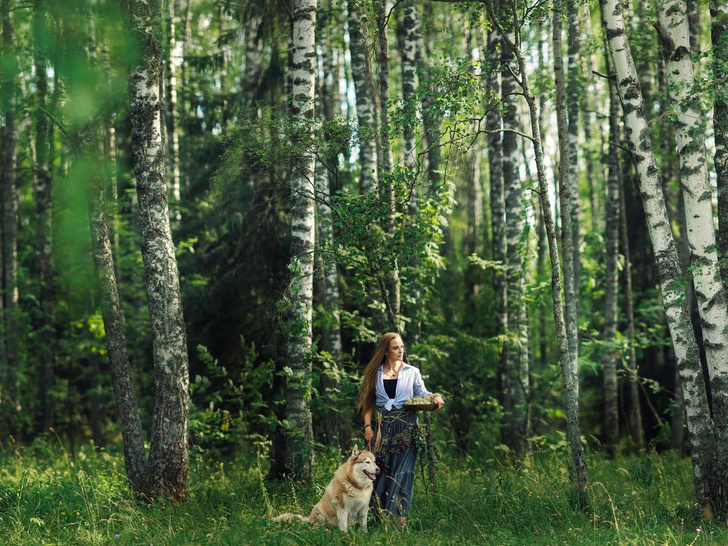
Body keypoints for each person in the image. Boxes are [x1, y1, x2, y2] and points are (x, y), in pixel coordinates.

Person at [357, 332, 445, 527]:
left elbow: (424, 393)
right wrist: (367, 427)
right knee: (379, 472)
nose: (401, 351)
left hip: (407, 428)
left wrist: (436, 397)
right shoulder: (375, 373)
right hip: (383, 429)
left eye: (402, 347)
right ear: (386, 350)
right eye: (396, 348)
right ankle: (378, 518)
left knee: (404, 473)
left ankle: (400, 523)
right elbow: (368, 403)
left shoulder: (411, 371)